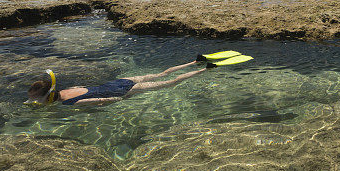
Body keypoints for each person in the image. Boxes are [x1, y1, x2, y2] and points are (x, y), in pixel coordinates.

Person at [26, 60, 206, 106]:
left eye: (37, 100)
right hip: (121, 81)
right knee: (163, 73)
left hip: (127, 89)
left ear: (48, 98)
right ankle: (195, 62)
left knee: (171, 82)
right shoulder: (67, 90)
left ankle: (205, 69)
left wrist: (125, 99)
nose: (35, 102)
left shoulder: (72, 103)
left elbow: (104, 101)